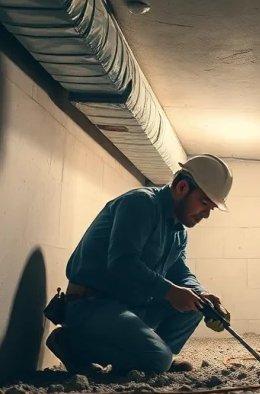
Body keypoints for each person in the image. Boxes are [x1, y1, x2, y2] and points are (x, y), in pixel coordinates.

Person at [44, 155, 234, 374]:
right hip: (92, 305)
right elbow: (122, 263)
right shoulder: (141, 203)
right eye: (204, 203)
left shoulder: (178, 229)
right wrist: (171, 291)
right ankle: (71, 343)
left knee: (194, 308)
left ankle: (153, 355)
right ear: (182, 187)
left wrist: (201, 295)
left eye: (212, 208)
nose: (207, 214)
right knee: (158, 360)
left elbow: (178, 270)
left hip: (128, 306)